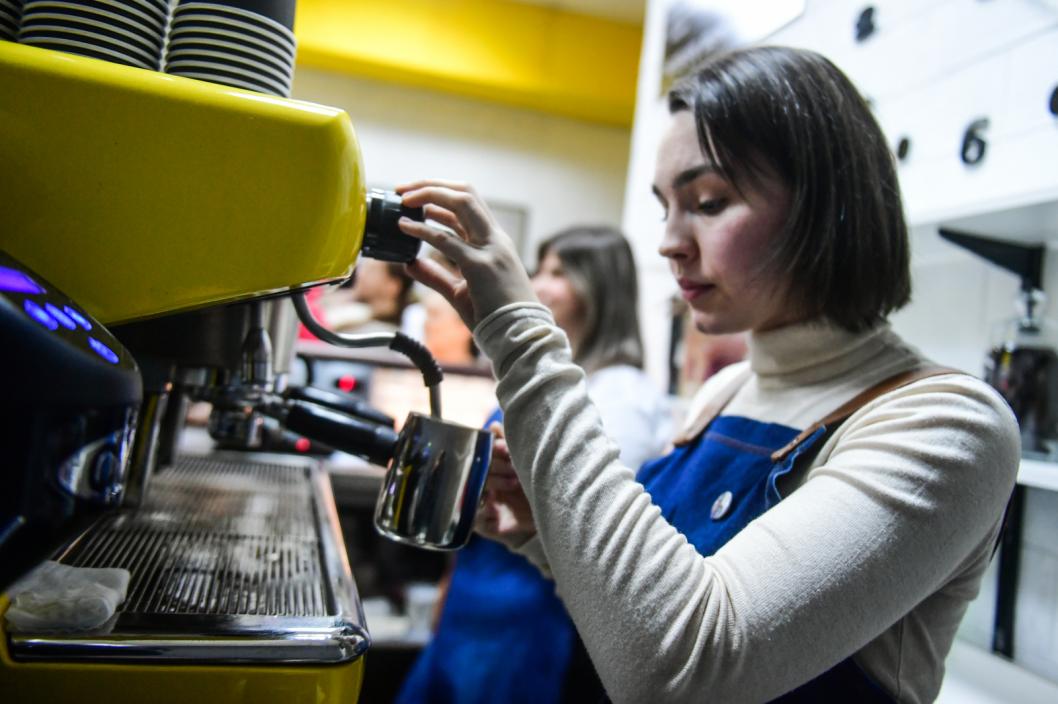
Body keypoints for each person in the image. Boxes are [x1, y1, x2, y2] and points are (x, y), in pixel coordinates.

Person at [393, 46, 1019, 703]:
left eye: (710, 201)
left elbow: (685, 670)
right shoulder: (726, 391)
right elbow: (638, 616)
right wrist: (542, 532)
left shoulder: (949, 425)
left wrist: (521, 335)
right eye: (665, 206)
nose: (669, 241)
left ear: (827, 205)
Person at [397, 226, 673, 703]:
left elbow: (591, 524)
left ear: (600, 289)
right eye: (540, 269)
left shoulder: (623, 395)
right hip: (473, 596)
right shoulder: (546, 376)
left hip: (529, 614)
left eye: (558, 273)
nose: (537, 284)